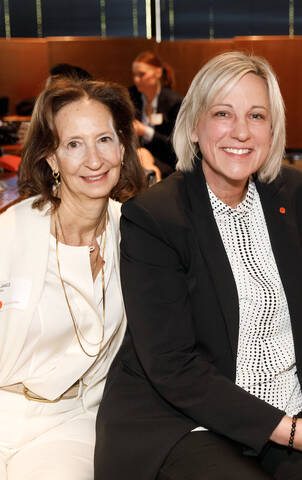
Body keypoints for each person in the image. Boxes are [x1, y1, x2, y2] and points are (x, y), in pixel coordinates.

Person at [95, 51, 302, 480]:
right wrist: (293, 432)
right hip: (181, 419)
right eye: (223, 113)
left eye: (257, 115)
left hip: (284, 407)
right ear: (193, 126)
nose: (241, 132)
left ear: (272, 128)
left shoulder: (295, 192)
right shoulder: (155, 217)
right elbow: (173, 365)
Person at [0, 78, 145, 479]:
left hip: (71, 418)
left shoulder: (136, 234)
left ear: (122, 147)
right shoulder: (11, 231)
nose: (94, 160)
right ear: (51, 158)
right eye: (74, 144)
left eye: (104, 139)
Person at [129, 50, 183, 178]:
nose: (136, 80)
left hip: (164, 160)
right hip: (135, 157)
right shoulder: (130, 97)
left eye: (141, 74)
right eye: (134, 75)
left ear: (158, 73)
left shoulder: (174, 102)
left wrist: (145, 132)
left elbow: (175, 146)